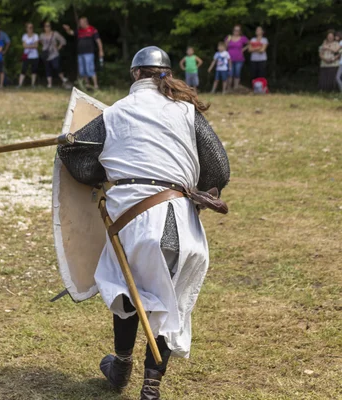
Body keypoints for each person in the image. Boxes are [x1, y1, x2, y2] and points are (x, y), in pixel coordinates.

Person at [57, 46, 230, 400]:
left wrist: (102, 170)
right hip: (181, 225)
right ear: (165, 72)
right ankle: (150, 386)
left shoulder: (117, 112)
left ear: (136, 75)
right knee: (167, 299)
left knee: (126, 289)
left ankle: (121, 364)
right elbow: (219, 169)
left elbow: (74, 155)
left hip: (133, 222)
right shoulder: (186, 110)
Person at [63, 17, 104, 90]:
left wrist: (101, 50)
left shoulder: (92, 29)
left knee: (90, 69)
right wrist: (67, 29)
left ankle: (95, 85)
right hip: (80, 54)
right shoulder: (79, 31)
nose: (80, 24)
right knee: (83, 71)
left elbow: (98, 41)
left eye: (81, 22)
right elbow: (71, 33)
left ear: (86, 22)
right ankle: (87, 85)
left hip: (89, 53)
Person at [40, 21, 69, 88]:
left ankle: (63, 79)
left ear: (50, 27)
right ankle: (49, 84)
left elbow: (63, 41)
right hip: (46, 54)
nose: (47, 27)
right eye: (45, 26)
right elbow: (41, 42)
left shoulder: (55, 34)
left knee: (56, 66)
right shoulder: (42, 35)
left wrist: (58, 47)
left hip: (54, 54)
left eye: (48, 26)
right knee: (47, 68)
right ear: (44, 27)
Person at [224, 25, 248, 91]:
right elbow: (225, 47)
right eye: (235, 30)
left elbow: (249, 44)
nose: (236, 31)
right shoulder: (228, 37)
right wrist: (227, 41)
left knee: (237, 73)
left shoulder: (243, 38)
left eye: (238, 30)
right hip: (229, 59)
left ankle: (235, 88)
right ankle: (228, 88)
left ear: (240, 31)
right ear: (233, 30)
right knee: (230, 73)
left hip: (239, 59)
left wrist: (243, 49)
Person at [18, 22, 39, 88]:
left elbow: (36, 45)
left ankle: (33, 84)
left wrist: (28, 46)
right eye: (29, 27)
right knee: (23, 69)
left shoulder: (35, 35)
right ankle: (20, 84)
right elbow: (24, 46)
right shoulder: (24, 36)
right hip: (26, 56)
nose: (31, 29)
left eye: (32, 27)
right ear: (26, 28)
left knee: (34, 70)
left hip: (34, 56)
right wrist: (32, 45)